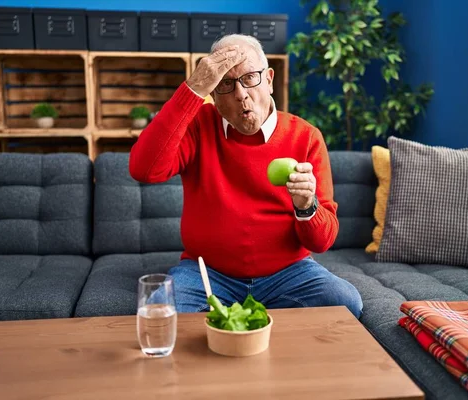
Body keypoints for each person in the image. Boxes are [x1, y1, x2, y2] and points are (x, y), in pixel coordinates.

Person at [129, 34, 363, 318]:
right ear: (213, 93)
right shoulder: (199, 126)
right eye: (226, 83)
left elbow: (322, 241)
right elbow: (143, 169)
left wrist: (306, 205)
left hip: (287, 274)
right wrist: (193, 88)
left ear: (270, 80)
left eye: (250, 77)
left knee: (346, 302)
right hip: (207, 274)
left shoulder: (306, 137)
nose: (241, 93)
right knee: (157, 313)